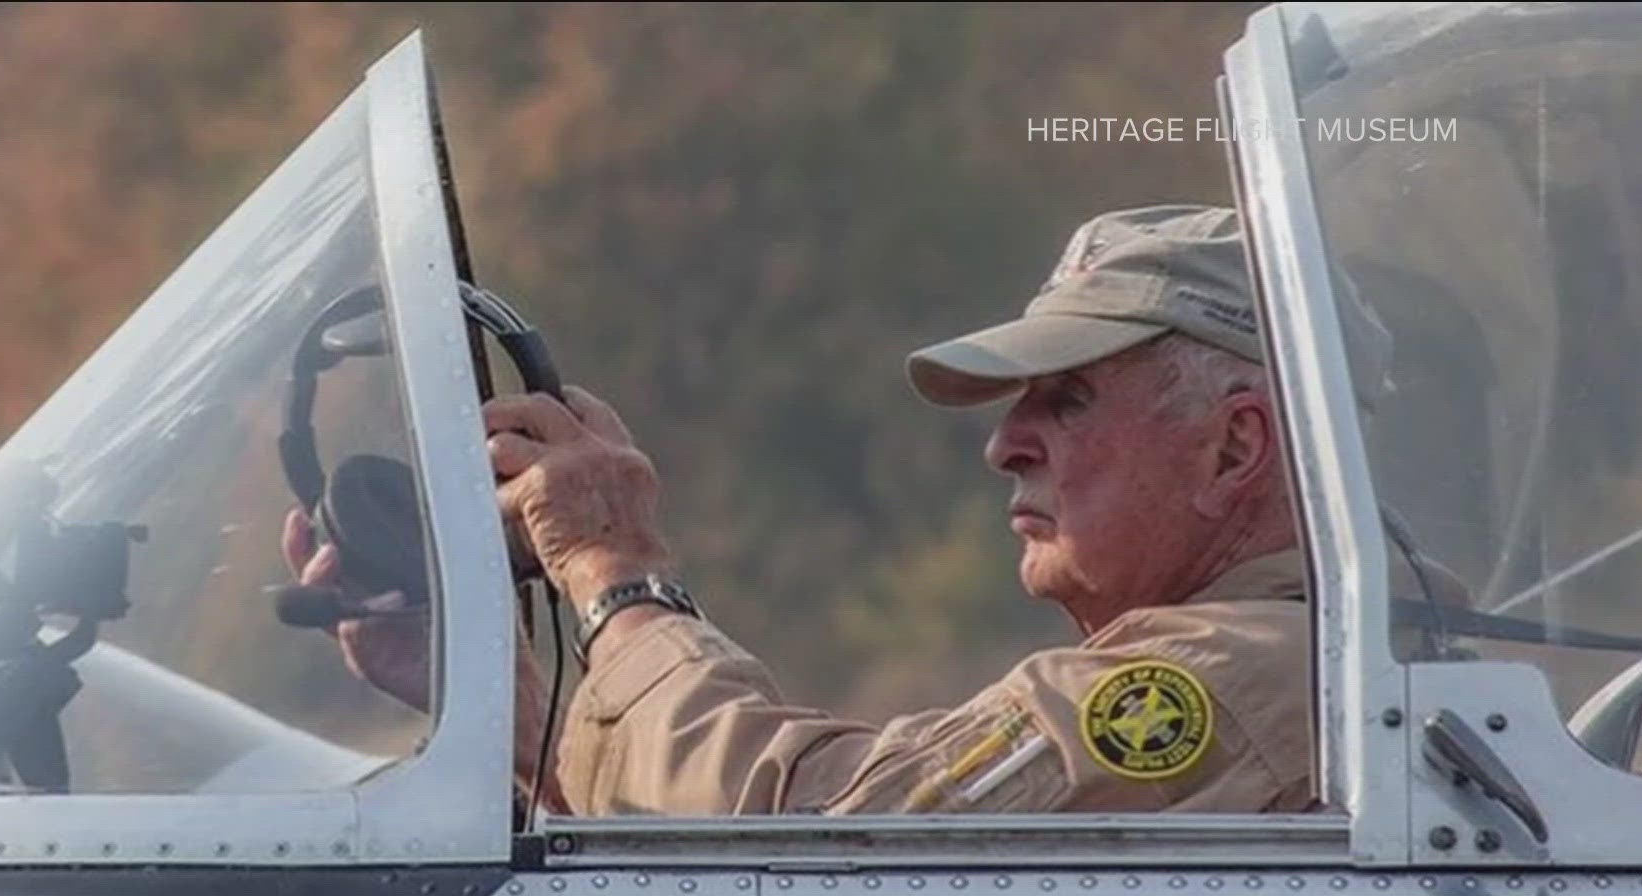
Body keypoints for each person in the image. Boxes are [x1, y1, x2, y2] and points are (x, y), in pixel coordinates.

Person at [479, 204, 1312, 816]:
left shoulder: (1250, 668)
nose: (1005, 446)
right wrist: (526, 731)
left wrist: (618, 576)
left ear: (1234, 447)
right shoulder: (1320, 657)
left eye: (1069, 401)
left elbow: (835, 855)